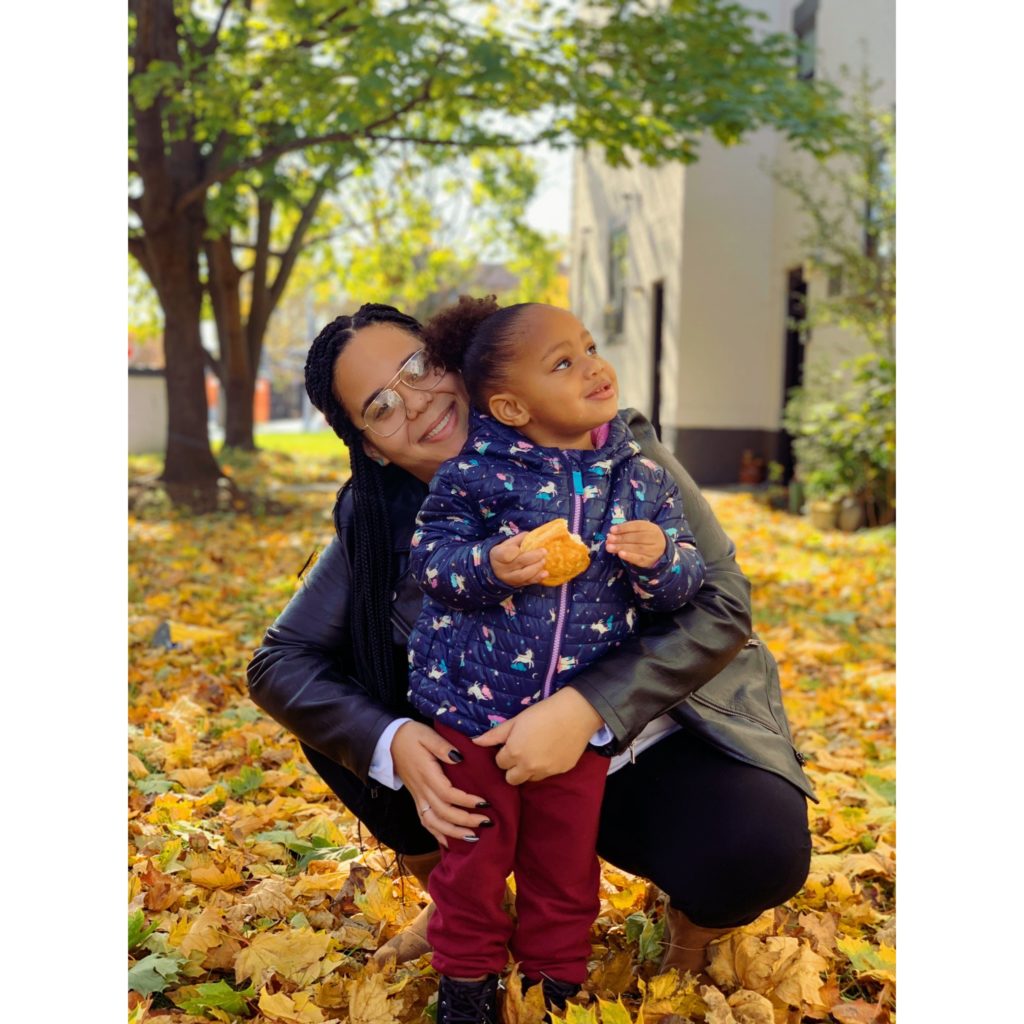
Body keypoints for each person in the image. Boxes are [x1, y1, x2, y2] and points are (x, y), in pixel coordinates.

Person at [246, 301, 814, 1024]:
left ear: (462, 359)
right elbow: (280, 663)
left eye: (418, 366)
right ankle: (464, 908)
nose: (417, 401)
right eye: (381, 407)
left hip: (643, 745)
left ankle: (694, 930)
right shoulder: (387, 518)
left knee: (756, 852)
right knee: (345, 708)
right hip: (486, 765)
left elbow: (723, 603)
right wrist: (393, 744)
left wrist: (584, 710)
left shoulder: (616, 454)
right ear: (375, 449)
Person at [404, 297, 707, 1016]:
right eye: (562, 362)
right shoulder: (473, 477)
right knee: (473, 859)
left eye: (590, 347)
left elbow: (688, 586)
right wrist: (491, 564)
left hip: (579, 723)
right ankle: (469, 978)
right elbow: (432, 563)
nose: (593, 366)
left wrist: (662, 559)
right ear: (510, 407)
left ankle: (555, 980)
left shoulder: (639, 479)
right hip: (471, 711)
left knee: (565, 863)